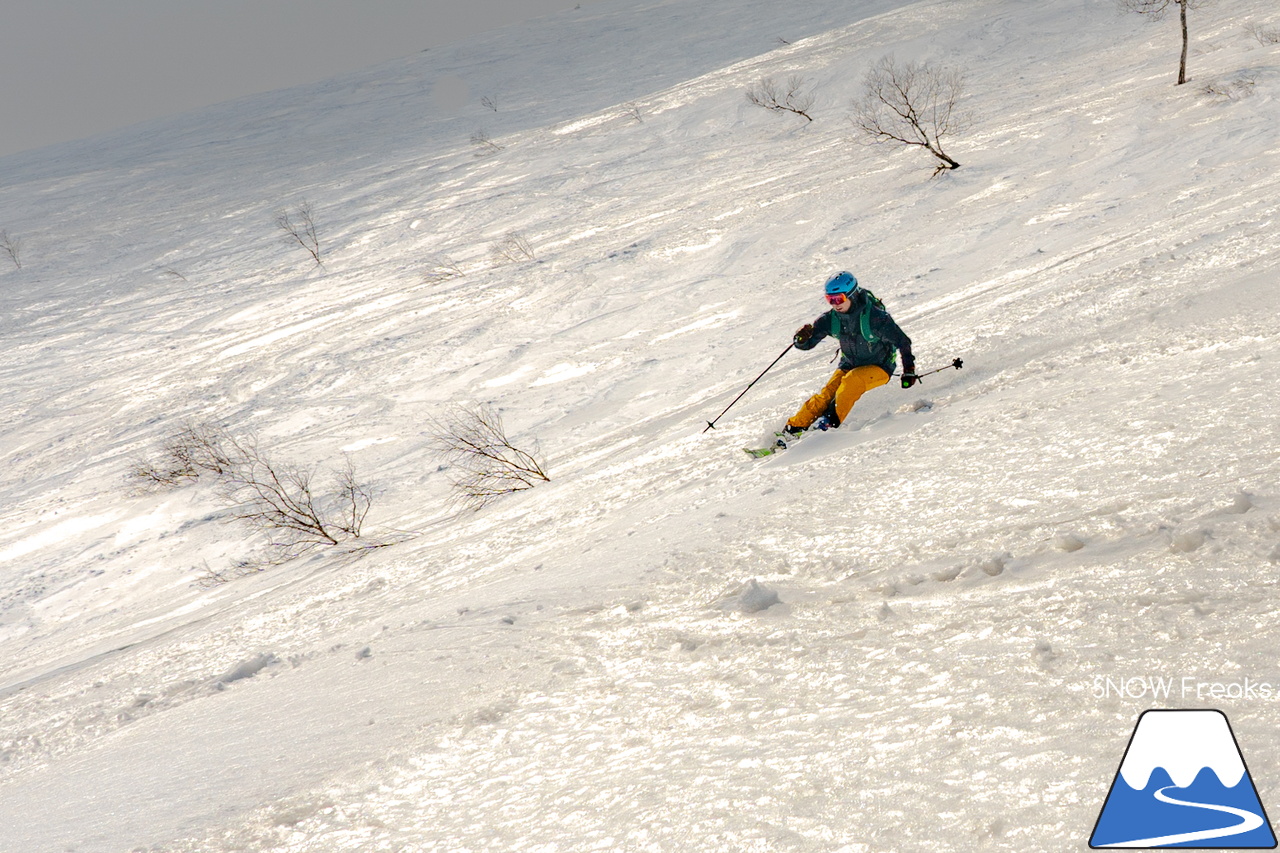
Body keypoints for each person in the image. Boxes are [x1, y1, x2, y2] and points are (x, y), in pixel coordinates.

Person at [784, 271, 916, 435]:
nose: (835, 304)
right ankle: (793, 429)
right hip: (849, 365)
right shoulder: (831, 319)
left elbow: (903, 342)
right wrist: (801, 340)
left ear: (851, 295)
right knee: (826, 395)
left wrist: (909, 370)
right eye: (830, 299)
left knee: (851, 382)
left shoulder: (876, 318)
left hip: (880, 367)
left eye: (839, 298)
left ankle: (826, 426)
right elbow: (808, 344)